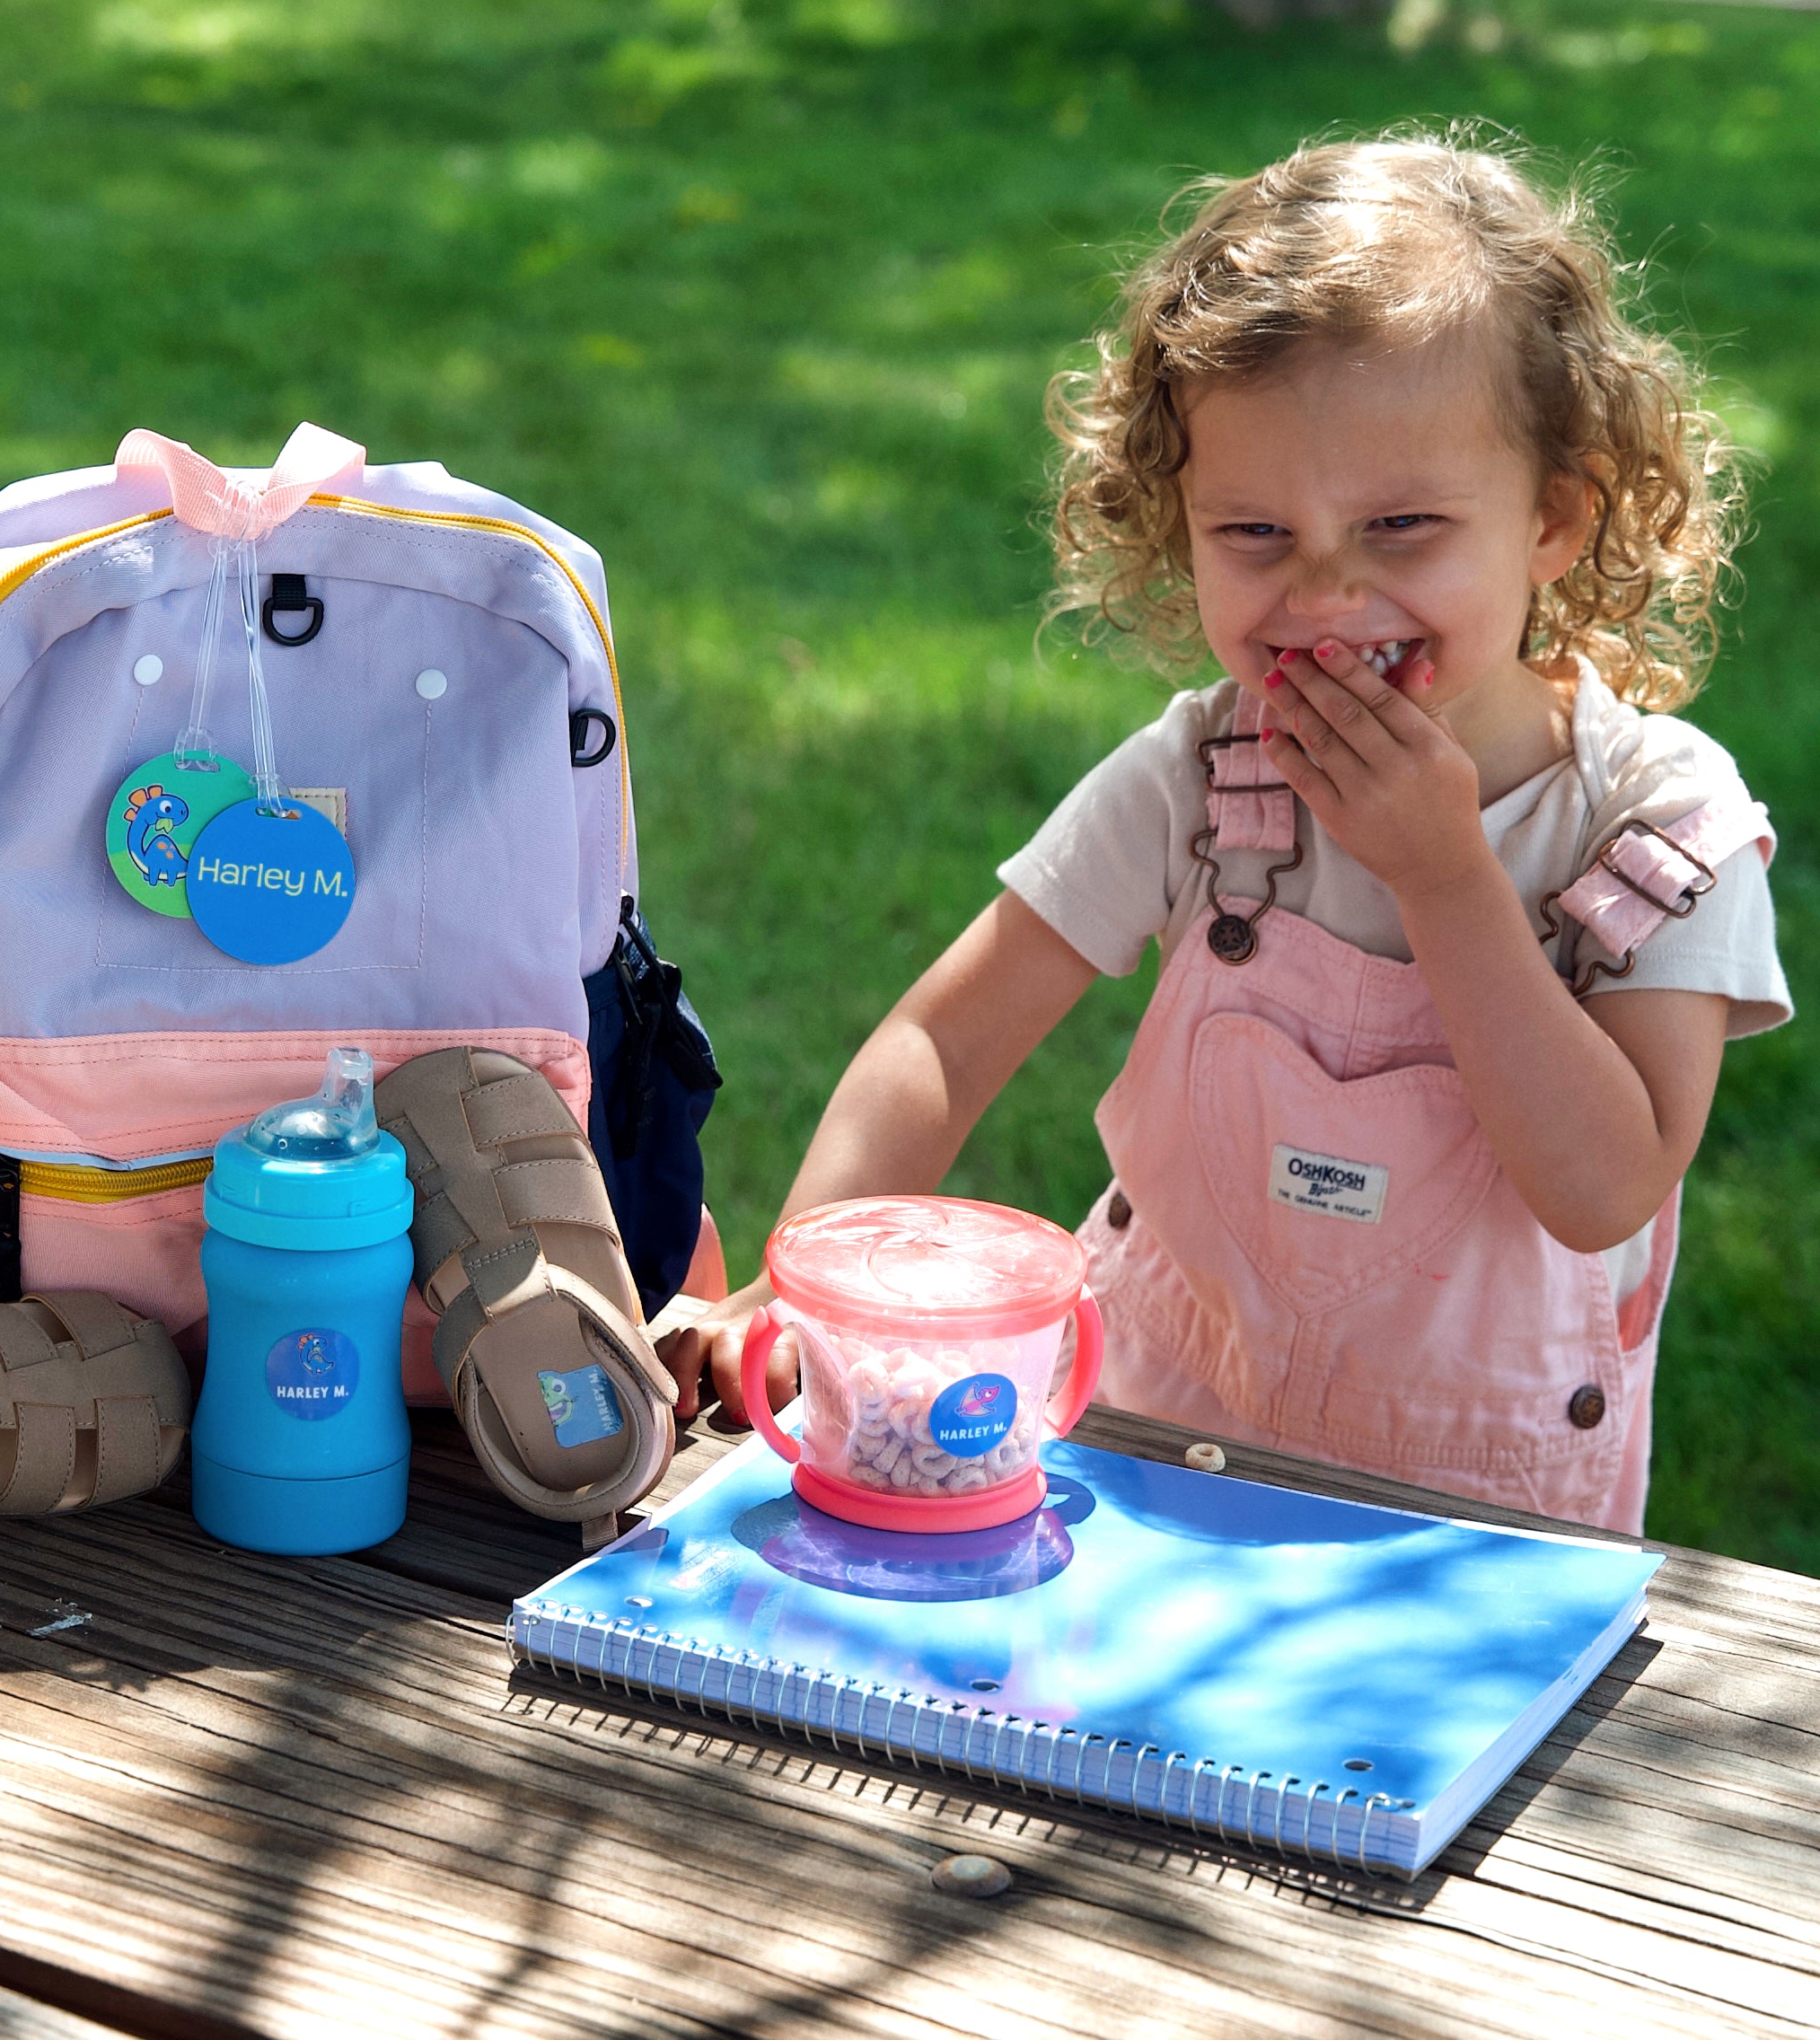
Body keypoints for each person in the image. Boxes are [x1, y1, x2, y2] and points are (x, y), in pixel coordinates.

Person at [659, 136, 1789, 1534]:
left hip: (1472, 1541)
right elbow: (944, 1039)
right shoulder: (1207, 777)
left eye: (1400, 525)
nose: (1325, 590)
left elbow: (1601, 1183)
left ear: (1554, 515)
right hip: (1140, 1460)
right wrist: (803, 1278)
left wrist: (1444, 874)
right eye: (1254, 529)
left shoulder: (1652, 824)